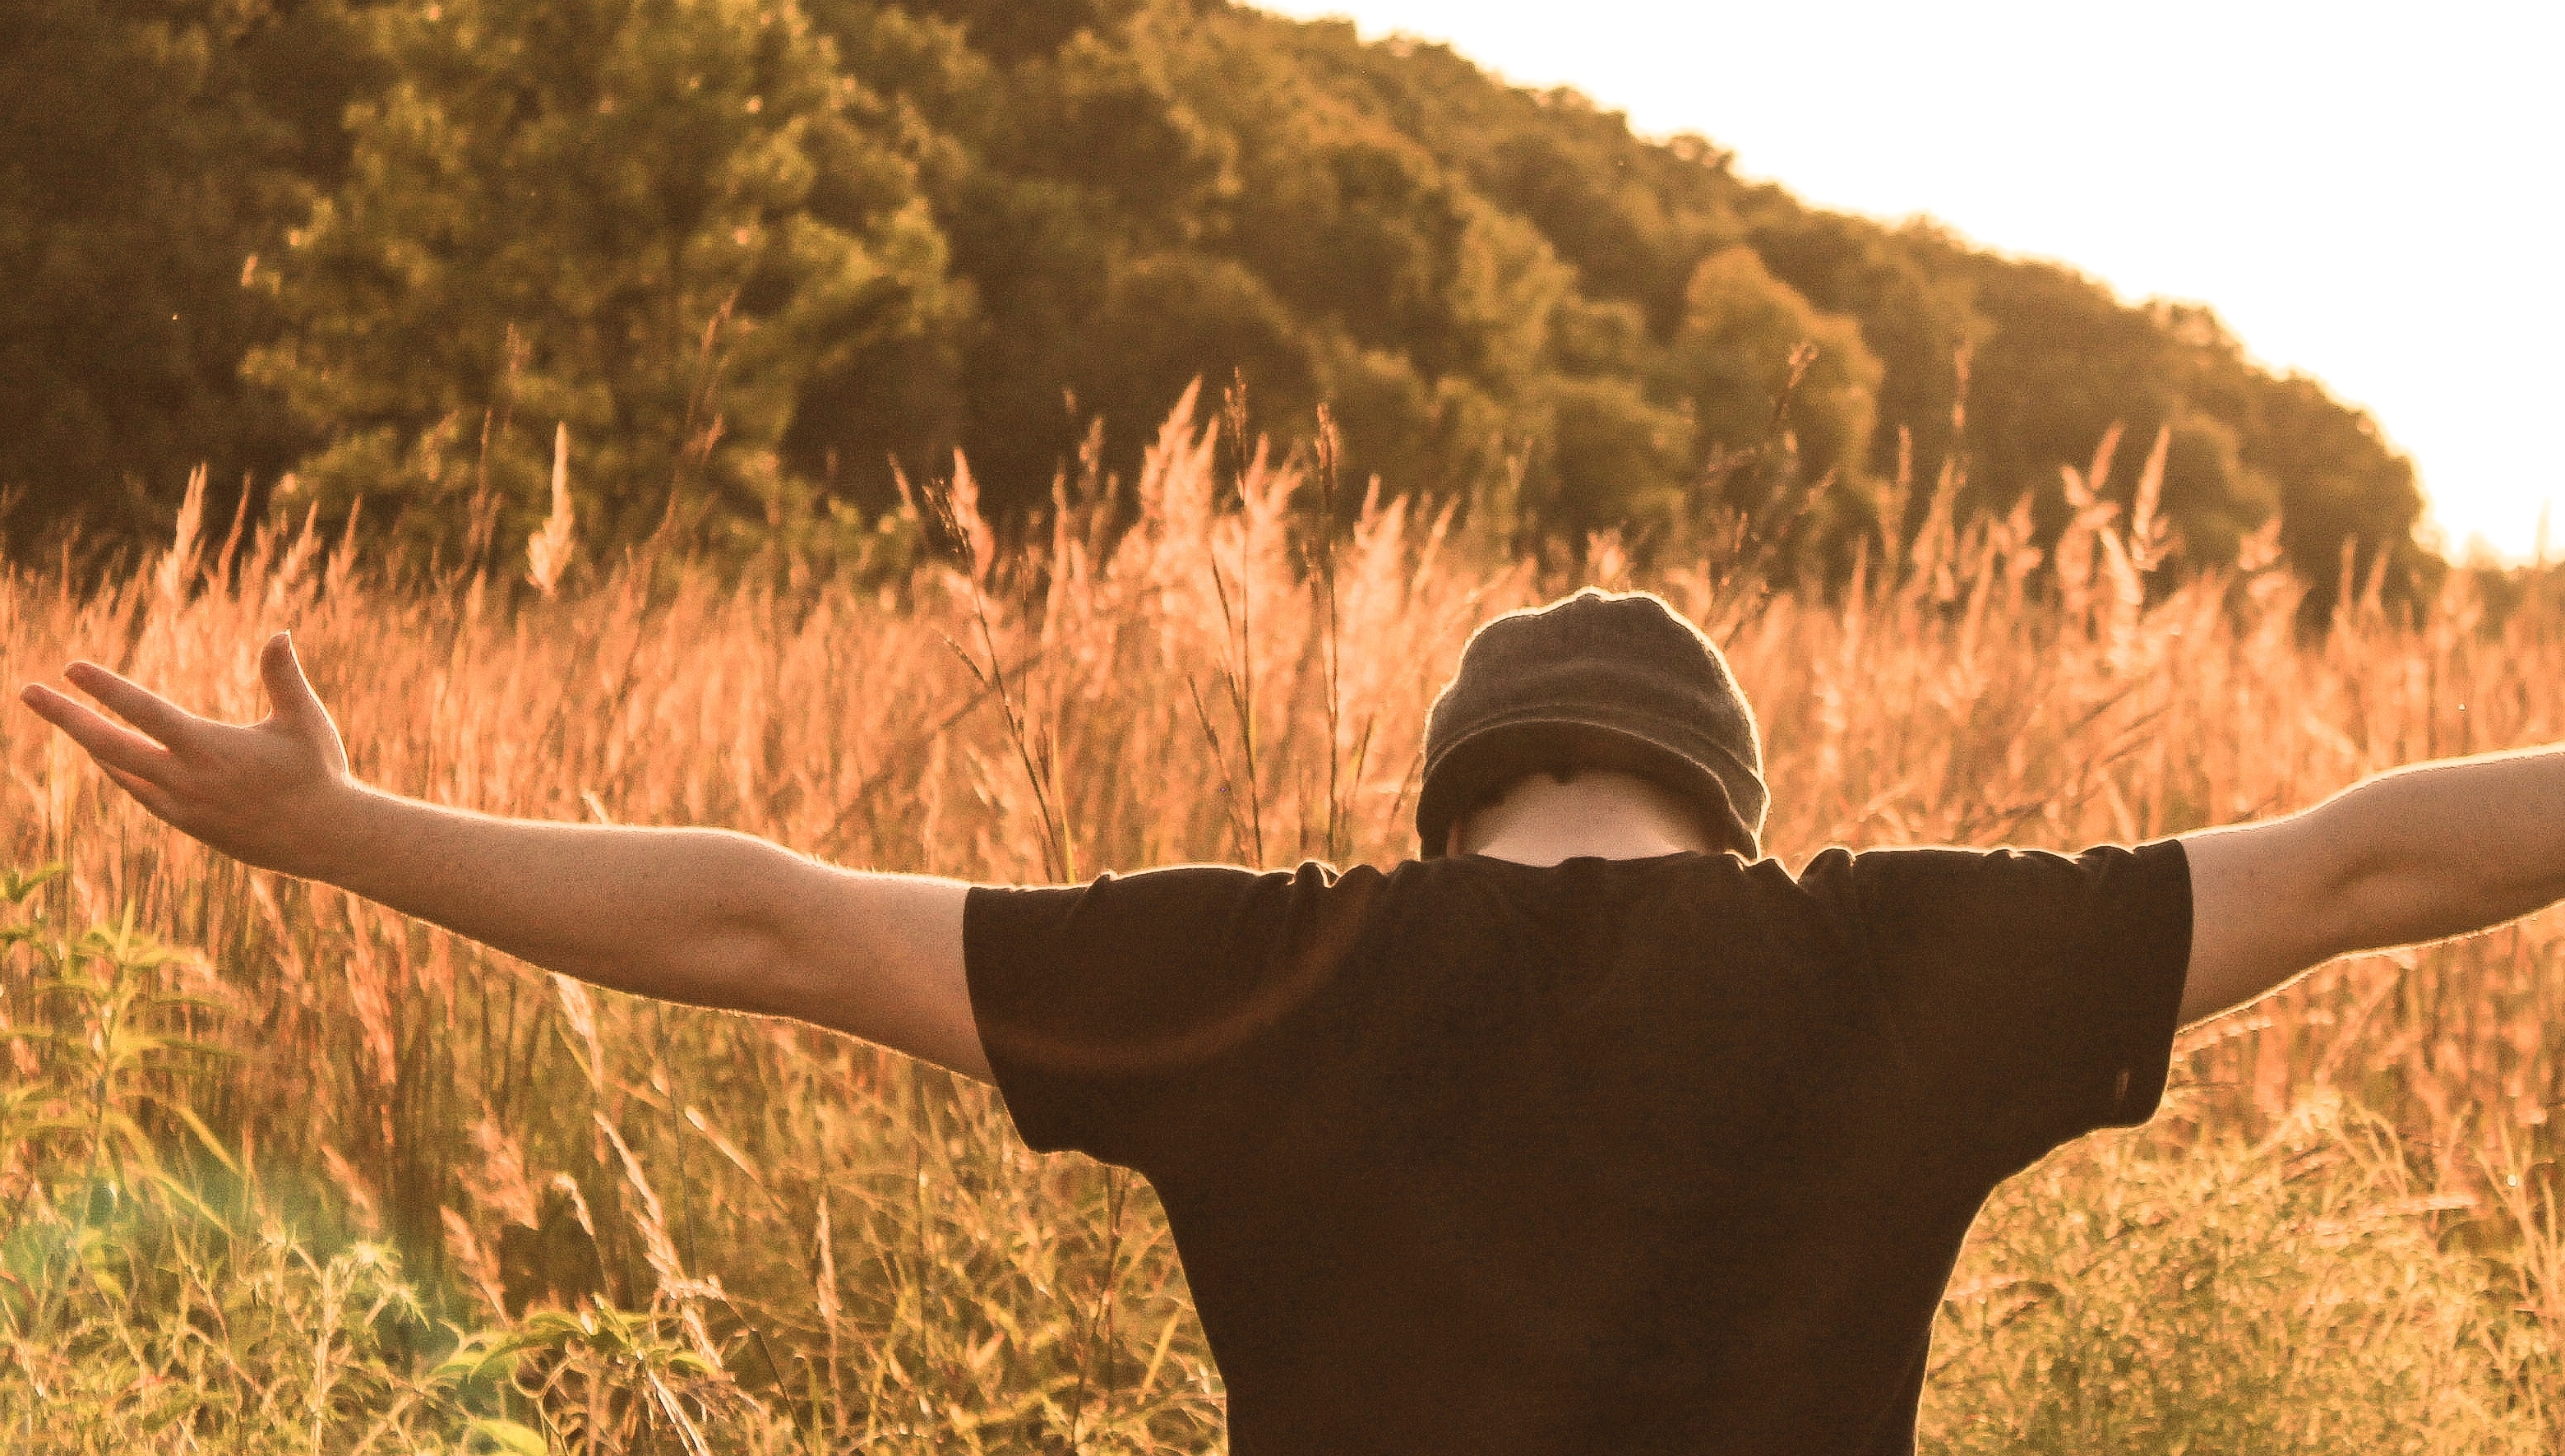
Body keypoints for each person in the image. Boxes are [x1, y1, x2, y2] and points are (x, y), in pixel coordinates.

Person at [19, 587, 2565, 1454]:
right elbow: (2362, 859)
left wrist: (350, 832)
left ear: (1457, 803)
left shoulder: (1272, 973)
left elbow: (774, 924)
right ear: (1729, 809)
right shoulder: (1887, 967)